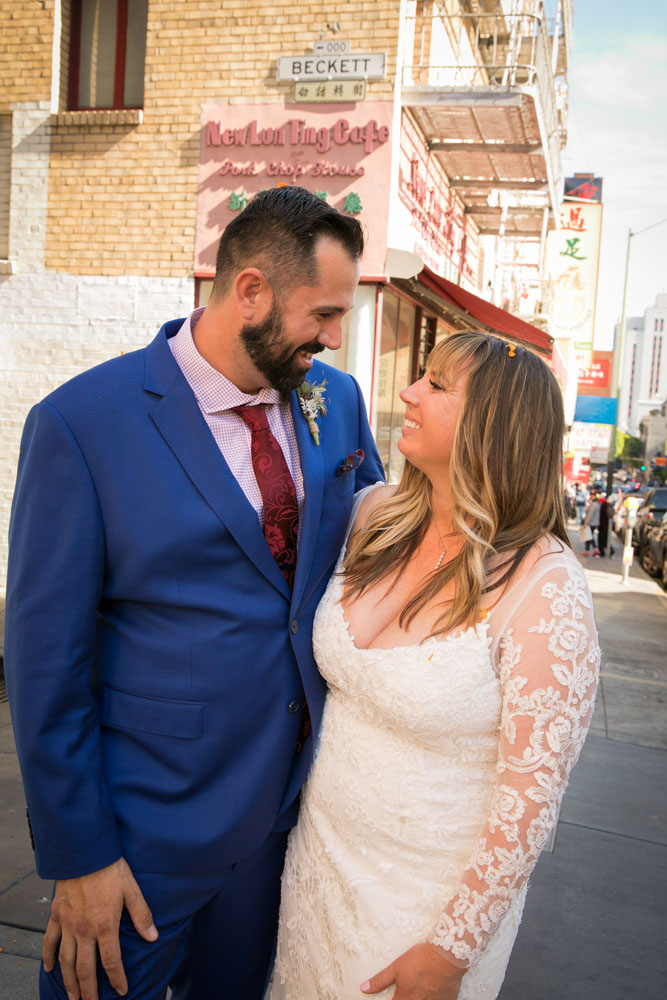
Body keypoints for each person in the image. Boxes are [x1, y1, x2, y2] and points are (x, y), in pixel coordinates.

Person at [4, 186, 384, 1000]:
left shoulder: (336, 403)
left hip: (289, 824)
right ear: (249, 290)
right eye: (322, 313)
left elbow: (381, 547)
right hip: (143, 839)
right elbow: (46, 664)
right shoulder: (80, 425)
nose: (334, 336)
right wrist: (81, 855)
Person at [269, 332, 600, 1000]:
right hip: (315, 870)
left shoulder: (545, 588)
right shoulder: (372, 517)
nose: (407, 393)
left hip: (423, 911)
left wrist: (451, 949)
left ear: (492, 426)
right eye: (420, 376)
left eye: (436, 385)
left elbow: (529, 800)